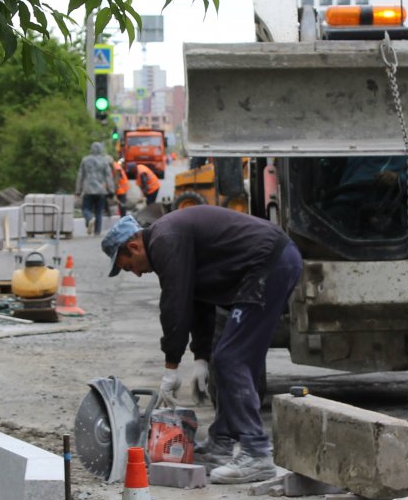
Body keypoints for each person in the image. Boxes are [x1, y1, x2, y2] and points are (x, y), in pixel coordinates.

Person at [103, 206, 302, 485]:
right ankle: (221, 443)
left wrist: (171, 367)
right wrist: (200, 357)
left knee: (232, 359)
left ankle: (257, 453)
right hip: (271, 263)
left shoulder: (164, 240)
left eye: (128, 266)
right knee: (229, 358)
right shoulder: (169, 239)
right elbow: (199, 302)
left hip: (269, 264)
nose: (135, 274)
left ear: (133, 246)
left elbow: (176, 303)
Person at [74, 141, 113, 234]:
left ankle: (89, 218)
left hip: (88, 190)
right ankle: (97, 232)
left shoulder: (85, 160)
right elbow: (108, 176)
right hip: (101, 191)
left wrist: (78, 190)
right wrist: (111, 190)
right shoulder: (104, 161)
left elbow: (80, 176)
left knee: (85, 208)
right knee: (99, 211)